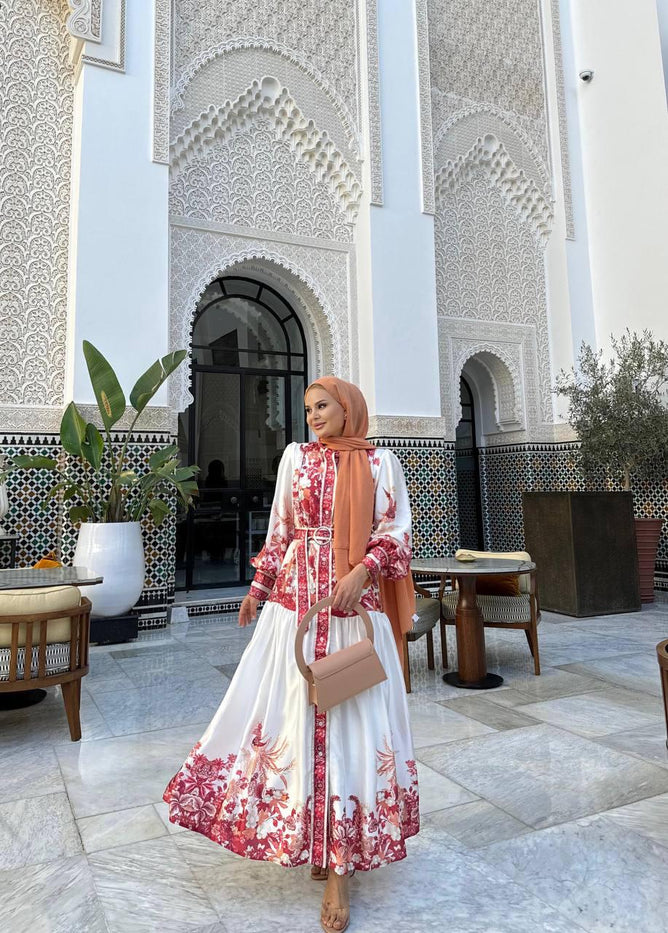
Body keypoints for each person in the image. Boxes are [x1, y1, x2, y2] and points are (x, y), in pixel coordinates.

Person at [163, 377, 419, 932]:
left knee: (351, 725)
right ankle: (310, 836)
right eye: (307, 409)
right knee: (289, 721)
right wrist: (257, 590)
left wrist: (363, 569)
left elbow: (395, 531)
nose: (314, 417)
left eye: (323, 406)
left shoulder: (381, 462)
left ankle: (339, 871)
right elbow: (282, 528)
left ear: (347, 407)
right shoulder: (294, 459)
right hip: (294, 608)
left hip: (353, 612)